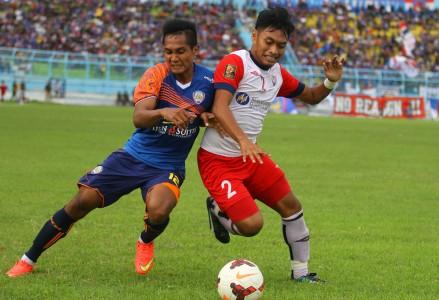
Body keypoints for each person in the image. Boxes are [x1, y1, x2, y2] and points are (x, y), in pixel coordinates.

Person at [6, 19, 221, 278]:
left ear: (195, 50)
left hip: (167, 166)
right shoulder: (156, 74)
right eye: (168, 51)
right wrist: (164, 111)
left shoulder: (209, 81)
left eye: (180, 51)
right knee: (81, 202)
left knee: (159, 209)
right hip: (132, 156)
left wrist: (207, 117)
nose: (173, 57)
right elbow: (139, 117)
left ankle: (145, 241)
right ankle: (28, 259)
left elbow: (214, 113)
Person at [197, 7, 344, 283]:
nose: (274, 50)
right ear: (254, 36)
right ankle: (217, 208)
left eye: (281, 45)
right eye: (269, 41)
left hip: (251, 158)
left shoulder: (277, 74)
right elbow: (219, 107)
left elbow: (311, 96)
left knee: (292, 206)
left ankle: (301, 274)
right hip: (218, 161)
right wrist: (243, 141)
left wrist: (330, 82)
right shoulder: (235, 63)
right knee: (251, 226)